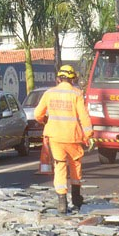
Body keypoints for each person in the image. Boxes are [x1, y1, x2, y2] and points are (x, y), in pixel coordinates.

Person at [33, 65, 95, 214]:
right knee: (75, 166)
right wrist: (89, 135)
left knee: (60, 166)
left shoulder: (49, 93)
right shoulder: (77, 94)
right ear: (73, 79)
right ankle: (76, 199)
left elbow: (37, 114)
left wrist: (45, 120)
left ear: (58, 78)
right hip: (73, 136)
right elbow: (84, 116)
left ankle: (62, 203)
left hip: (55, 137)